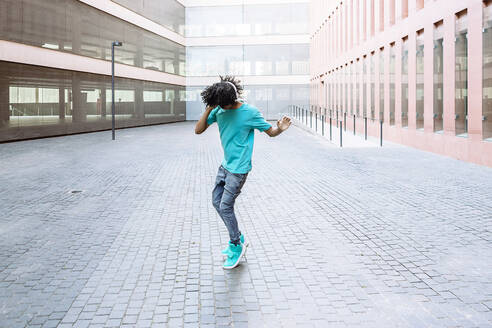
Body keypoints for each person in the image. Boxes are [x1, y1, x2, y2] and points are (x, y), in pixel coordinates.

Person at [194, 76, 292, 269]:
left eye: (226, 105)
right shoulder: (219, 108)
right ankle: (237, 236)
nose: (225, 109)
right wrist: (209, 107)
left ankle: (236, 245)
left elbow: (270, 132)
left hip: (239, 170)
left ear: (234, 98)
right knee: (216, 202)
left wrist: (279, 129)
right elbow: (198, 130)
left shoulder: (250, 113)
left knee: (225, 206)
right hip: (225, 166)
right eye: (220, 105)